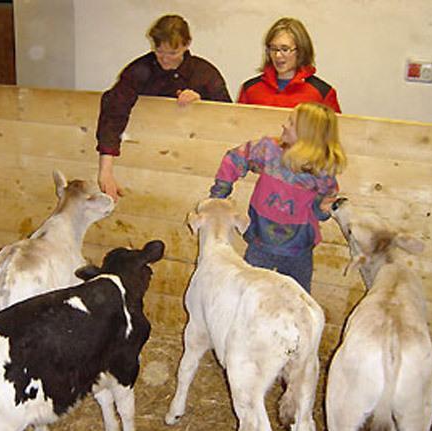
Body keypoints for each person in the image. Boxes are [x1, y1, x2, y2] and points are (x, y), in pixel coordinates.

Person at [209, 102, 347, 293]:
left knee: (298, 298)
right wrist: (219, 194)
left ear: (306, 134)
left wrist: (322, 208)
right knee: (246, 292)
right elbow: (235, 158)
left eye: (291, 123)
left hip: (298, 250)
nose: (284, 125)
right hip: (261, 243)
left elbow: (320, 206)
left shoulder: (322, 170)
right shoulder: (269, 150)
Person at [97, 14, 232, 201]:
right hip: (144, 158)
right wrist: (106, 170)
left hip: (193, 163)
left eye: (173, 53)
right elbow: (114, 112)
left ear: (187, 44)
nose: (165, 60)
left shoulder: (204, 74)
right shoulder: (139, 70)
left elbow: (228, 117)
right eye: (159, 52)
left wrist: (202, 101)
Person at [238, 17, 341, 113]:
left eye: (285, 49)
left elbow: (335, 131)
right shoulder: (250, 89)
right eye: (273, 49)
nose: (278, 55)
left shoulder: (322, 93)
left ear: (301, 51)